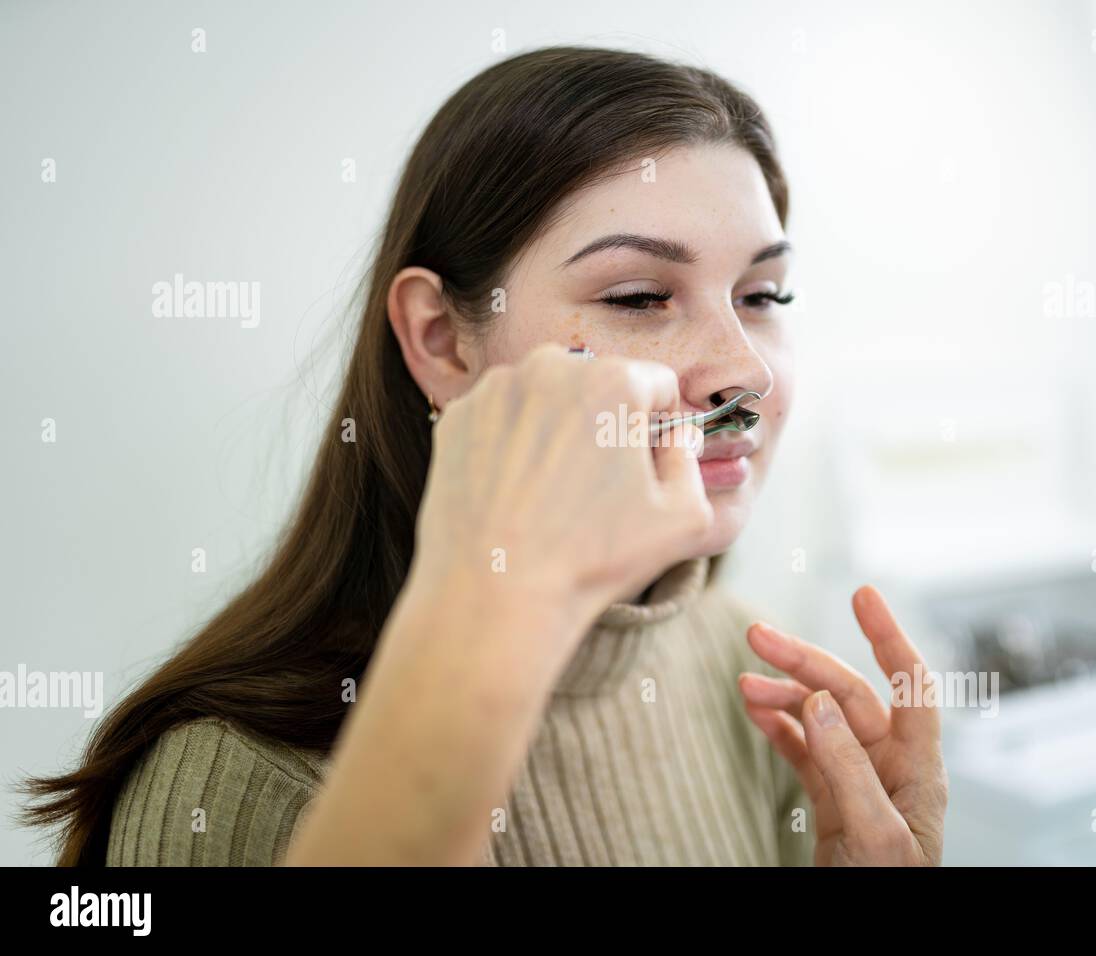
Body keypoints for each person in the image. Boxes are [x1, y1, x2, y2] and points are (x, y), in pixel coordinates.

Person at [21, 45, 947, 867]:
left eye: (763, 297)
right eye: (636, 296)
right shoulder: (238, 780)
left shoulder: (753, 685)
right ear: (442, 341)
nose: (743, 372)